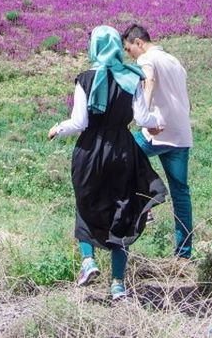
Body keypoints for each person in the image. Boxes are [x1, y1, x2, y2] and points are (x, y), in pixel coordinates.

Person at [48, 25, 167, 301]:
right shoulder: (131, 76)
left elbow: (79, 122)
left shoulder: (86, 78)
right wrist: (157, 125)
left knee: (85, 203)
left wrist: (57, 128)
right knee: (123, 212)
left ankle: (88, 262)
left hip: (90, 151)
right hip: (123, 151)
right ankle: (117, 285)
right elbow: (142, 117)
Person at [121, 23, 194, 260]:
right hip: (181, 133)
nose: (128, 54)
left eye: (128, 49)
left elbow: (148, 81)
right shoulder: (175, 62)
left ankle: (147, 202)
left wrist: (142, 114)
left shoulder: (147, 59)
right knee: (181, 193)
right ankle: (183, 255)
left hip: (156, 130)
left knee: (122, 156)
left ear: (139, 42)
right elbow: (187, 101)